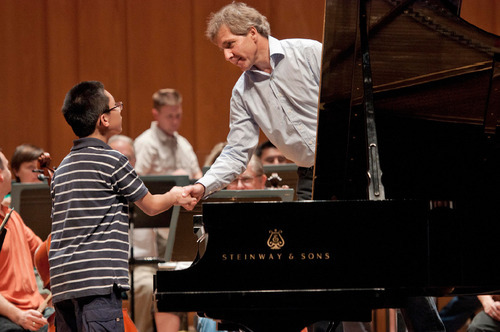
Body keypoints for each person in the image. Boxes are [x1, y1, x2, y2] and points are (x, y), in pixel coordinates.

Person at [181, 3, 445, 332]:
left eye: (229, 44)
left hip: (359, 165)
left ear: (252, 33)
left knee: (398, 253)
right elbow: (237, 151)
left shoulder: (307, 53)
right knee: (312, 264)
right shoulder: (243, 93)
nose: (227, 56)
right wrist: (204, 185)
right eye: (223, 49)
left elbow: (360, 101)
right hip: (313, 176)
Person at [48, 81, 196, 332]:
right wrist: (174, 195)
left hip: (63, 285)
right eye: (116, 105)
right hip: (99, 283)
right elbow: (149, 205)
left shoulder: (62, 167)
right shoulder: (112, 160)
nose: (121, 109)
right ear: (104, 120)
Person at [108, 134, 181, 332]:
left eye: (128, 158)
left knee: (145, 286)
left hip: (144, 265)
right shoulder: (103, 190)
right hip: (111, 265)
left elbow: (167, 236)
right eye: (117, 156)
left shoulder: (144, 190)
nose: (123, 161)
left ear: (135, 160)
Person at [0, 149, 52, 332]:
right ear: (0, 176)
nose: (9, 173)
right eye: (6, 168)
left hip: (35, 309)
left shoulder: (13, 217)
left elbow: (43, 251)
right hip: (8, 313)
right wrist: (18, 316)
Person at [134, 88, 202, 180]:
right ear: (156, 114)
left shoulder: (184, 143)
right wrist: (171, 180)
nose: (175, 121)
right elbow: (136, 180)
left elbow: (197, 174)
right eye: (170, 116)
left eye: (178, 116)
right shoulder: (145, 143)